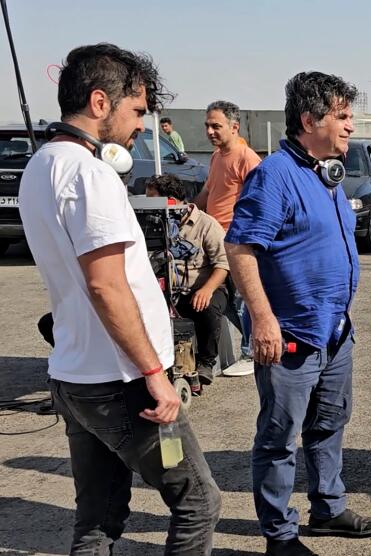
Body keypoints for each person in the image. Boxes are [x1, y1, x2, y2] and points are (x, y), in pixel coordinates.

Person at [18, 43, 220, 554]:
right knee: (198, 503)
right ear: (100, 102)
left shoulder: (40, 165)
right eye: (136, 111)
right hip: (122, 382)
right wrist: (155, 374)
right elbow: (106, 285)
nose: (141, 126)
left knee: (98, 519)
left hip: (76, 377)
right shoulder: (90, 175)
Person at [226, 71, 371, 555]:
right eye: (342, 116)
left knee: (329, 423)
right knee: (280, 437)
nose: (350, 125)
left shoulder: (326, 174)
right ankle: (280, 536)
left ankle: (329, 509)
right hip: (291, 335)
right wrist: (263, 320)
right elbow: (241, 248)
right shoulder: (274, 175)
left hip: (334, 332)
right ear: (310, 120)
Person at [194, 100, 261, 375]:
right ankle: (248, 344)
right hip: (215, 239)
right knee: (228, 298)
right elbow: (208, 193)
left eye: (216, 126)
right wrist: (188, 211)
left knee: (243, 297)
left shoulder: (247, 158)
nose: (210, 131)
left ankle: (251, 352)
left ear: (234, 127)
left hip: (236, 239)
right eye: (207, 126)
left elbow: (258, 202)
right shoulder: (216, 157)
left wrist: (242, 237)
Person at [145, 174, 229, 391]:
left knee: (207, 308)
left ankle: (206, 362)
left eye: (152, 199)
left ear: (171, 201)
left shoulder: (206, 224)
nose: (148, 205)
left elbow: (223, 264)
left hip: (202, 288)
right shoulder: (153, 226)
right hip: (168, 291)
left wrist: (207, 289)